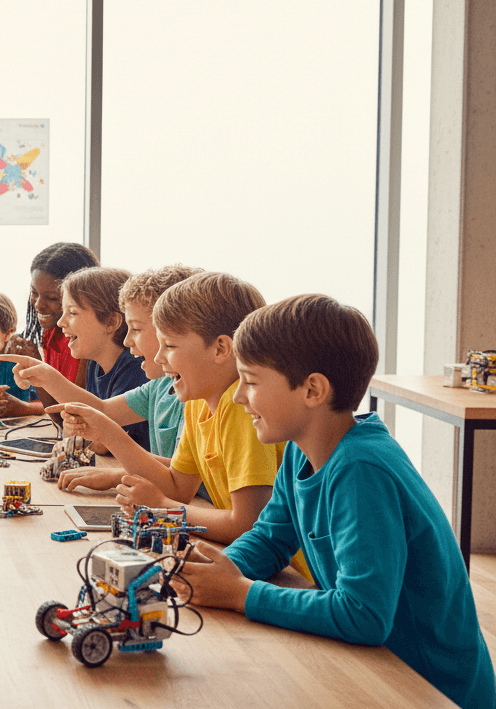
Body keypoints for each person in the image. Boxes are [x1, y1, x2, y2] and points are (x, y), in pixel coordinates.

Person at [177, 294, 494, 709]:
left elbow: (363, 615)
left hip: (428, 689)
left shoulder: (362, 469)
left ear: (312, 390)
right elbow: (271, 538)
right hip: (373, 668)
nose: (238, 398)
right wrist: (216, 571)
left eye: (250, 382)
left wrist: (239, 593)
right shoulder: (299, 451)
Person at [47, 273, 303, 571]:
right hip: (252, 562)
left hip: (291, 574)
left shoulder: (239, 407)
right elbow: (178, 486)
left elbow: (246, 523)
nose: (159, 356)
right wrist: (106, 430)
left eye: (169, 345)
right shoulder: (196, 403)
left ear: (221, 348)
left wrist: (162, 508)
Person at [2, 265, 200, 492]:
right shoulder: (158, 386)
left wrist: (115, 469)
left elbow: (182, 484)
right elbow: (102, 411)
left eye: (135, 328)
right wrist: (46, 376)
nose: (127, 341)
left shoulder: (194, 396)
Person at [56, 267, 149, 450]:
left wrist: (45, 376)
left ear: (110, 323)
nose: (60, 322)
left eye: (72, 312)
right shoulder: (94, 362)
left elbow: (103, 444)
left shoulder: (135, 368)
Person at [13, 242, 99, 413]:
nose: (38, 304)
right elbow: (57, 413)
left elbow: (74, 411)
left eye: (52, 298)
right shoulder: (51, 335)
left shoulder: (86, 344)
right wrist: (35, 367)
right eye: (34, 293)